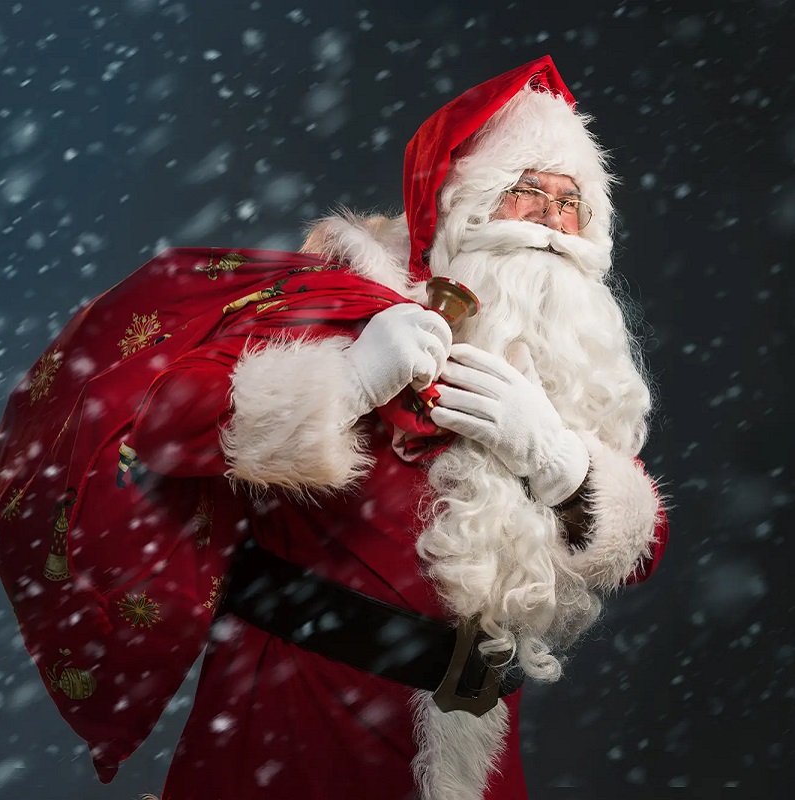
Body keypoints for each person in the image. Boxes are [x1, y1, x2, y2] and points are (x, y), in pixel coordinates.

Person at [117, 56, 668, 799]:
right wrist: (345, 383)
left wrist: (561, 461)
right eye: (524, 191)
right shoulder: (346, 307)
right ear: (461, 212)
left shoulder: (567, 381)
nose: (550, 219)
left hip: (474, 755)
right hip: (296, 723)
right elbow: (163, 425)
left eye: (573, 202)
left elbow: (639, 553)